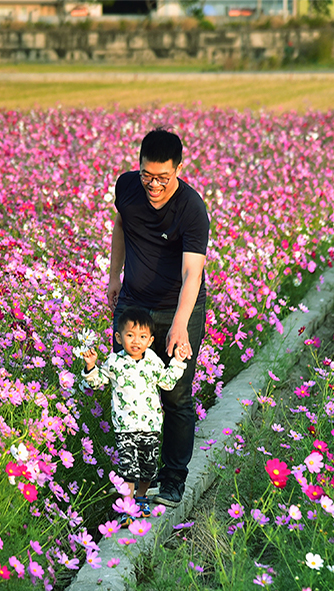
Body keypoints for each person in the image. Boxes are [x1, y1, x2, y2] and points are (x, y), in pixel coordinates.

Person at [106, 128, 209, 508]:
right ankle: (136, 479)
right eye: (147, 175)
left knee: (176, 396)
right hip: (133, 306)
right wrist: (114, 275)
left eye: (163, 178)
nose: (153, 185)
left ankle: (173, 479)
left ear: (178, 170)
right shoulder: (127, 187)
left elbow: (192, 275)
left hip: (176, 307)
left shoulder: (191, 209)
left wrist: (180, 323)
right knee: (130, 387)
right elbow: (121, 226)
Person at [81, 306, 187, 521]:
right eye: (130, 335)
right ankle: (127, 508)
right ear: (119, 338)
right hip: (125, 427)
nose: (136, 341)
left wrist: (177, 361)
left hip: (150, 426)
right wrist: (91, 366)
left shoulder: (153, 361)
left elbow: (167, 383)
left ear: (150, 340)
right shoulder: (114, 362)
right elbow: (98, 381)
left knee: (148, 468)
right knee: (127, 468)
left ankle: (141, 497)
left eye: (142, 336)